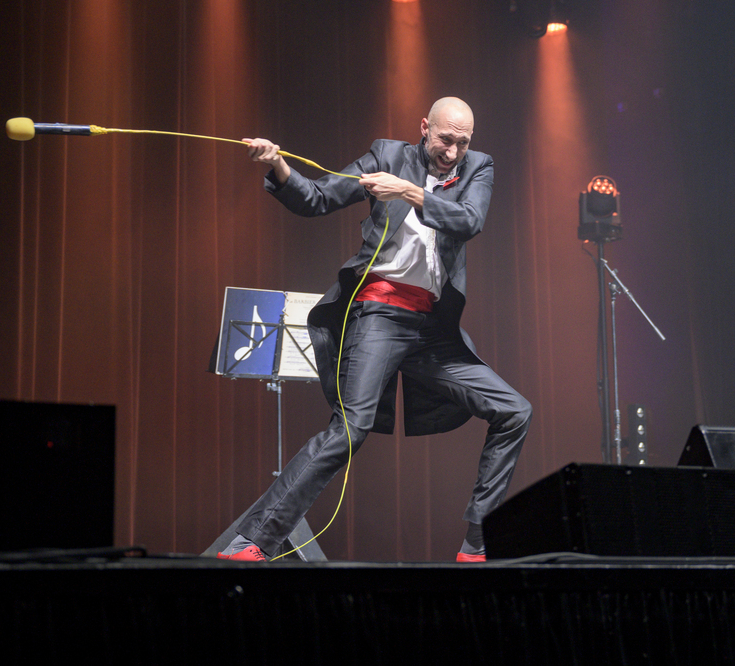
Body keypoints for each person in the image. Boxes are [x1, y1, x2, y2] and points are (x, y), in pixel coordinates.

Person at [218, 97, 531, 563]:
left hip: (431, 330)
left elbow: (470, 221)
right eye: (445, 139)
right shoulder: (387, 155)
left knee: (514, 411)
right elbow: (317, 198)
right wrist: (278, 164)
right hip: (379, 313)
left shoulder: (477, 167)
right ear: (424, 127)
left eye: (462, 143)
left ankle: (477, 543)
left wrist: (406, 192)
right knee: (350, 429)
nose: (452, 152)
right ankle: (253, 540)